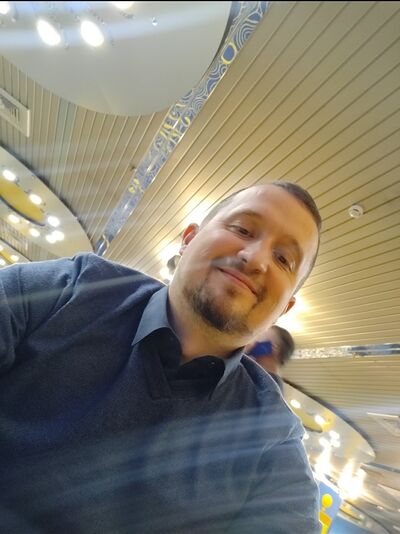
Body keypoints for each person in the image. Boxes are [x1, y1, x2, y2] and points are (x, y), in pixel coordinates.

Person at [0, 181, 321, 533]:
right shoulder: (75, 287)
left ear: (285, 308)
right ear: (188, 239)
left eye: (283, 259)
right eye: (243, 229)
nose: (256, 259)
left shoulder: (273, 443)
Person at [245, 325, 295, 391]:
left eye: (259, 336)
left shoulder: (269, 388)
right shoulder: (254, 371)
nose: (253, 340)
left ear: (274, 348)